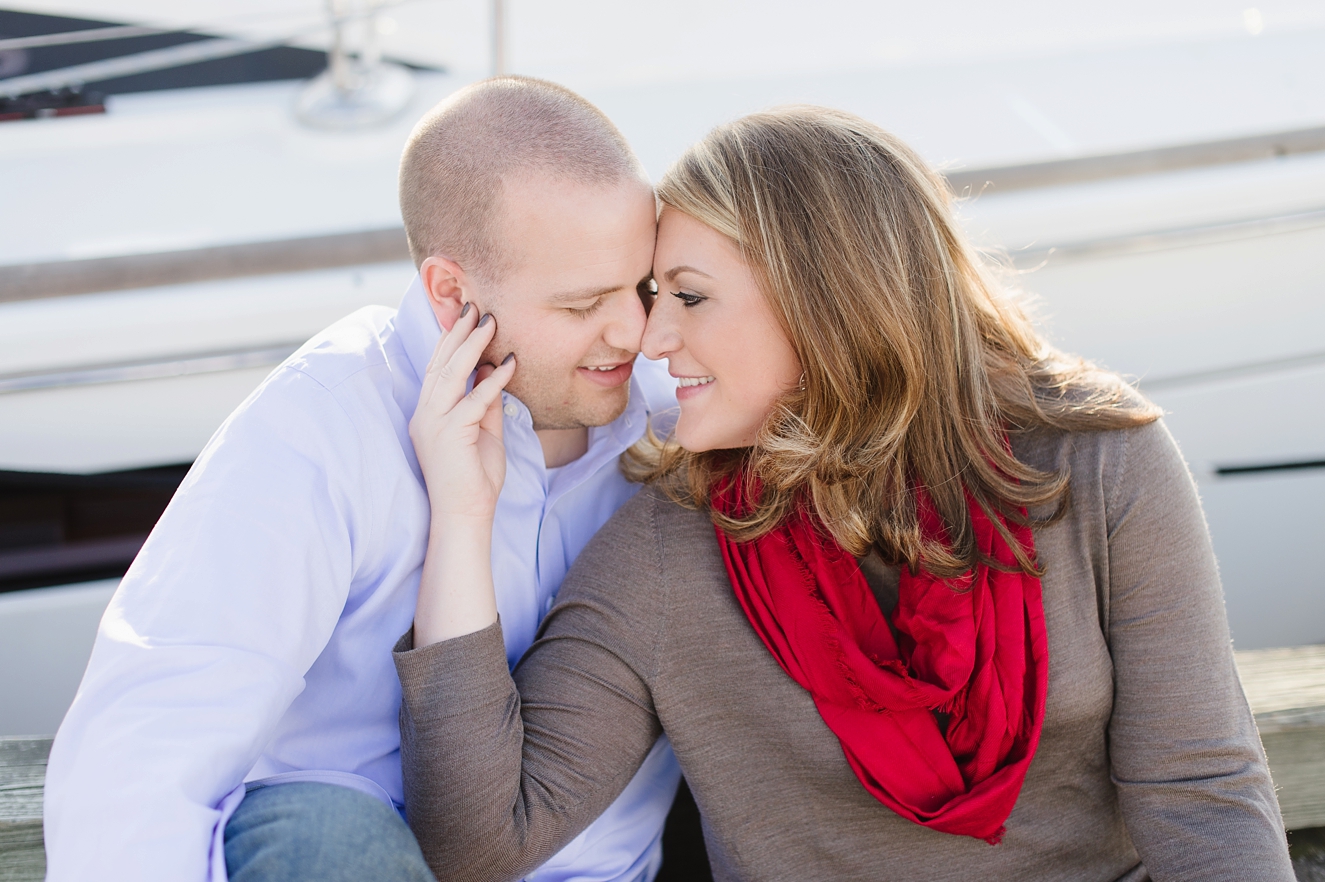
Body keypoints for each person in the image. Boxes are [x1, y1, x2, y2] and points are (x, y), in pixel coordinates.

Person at [393, 106, 1297, 881]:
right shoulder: (666, 554)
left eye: (689, 297)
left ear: (821, 298)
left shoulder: (1098, 463)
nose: (649, 335)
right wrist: (462, 521)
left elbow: (1199, 792)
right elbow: (480, 842)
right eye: (650, 293)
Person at [42, 76, 682, 882]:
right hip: (357, 858)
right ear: (452, 294)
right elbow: (150, 737)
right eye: (583, 303)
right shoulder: (325, 421)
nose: (632, 330)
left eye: (641, 286)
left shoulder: (674, 417)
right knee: (327, 835)